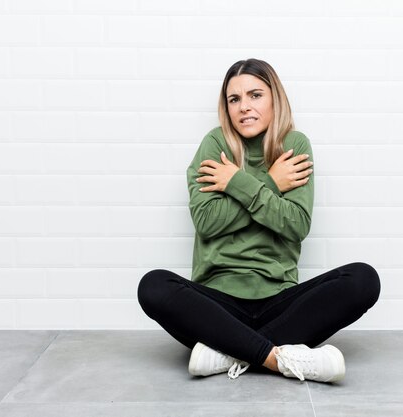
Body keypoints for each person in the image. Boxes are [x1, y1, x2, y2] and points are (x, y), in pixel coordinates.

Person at [137, 58, 380, 383]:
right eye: (234, 99)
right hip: (217, 302)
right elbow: (207, 221)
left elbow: (295, 224)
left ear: (274, 98)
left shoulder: (293, 146)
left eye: (255, 95)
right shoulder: (215, 144)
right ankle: (277, 357)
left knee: (363, 279)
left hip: (280, 300)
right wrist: (272, 184)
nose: (244, 107)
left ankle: (226, 351)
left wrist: (236, 183)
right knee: (153, 286)